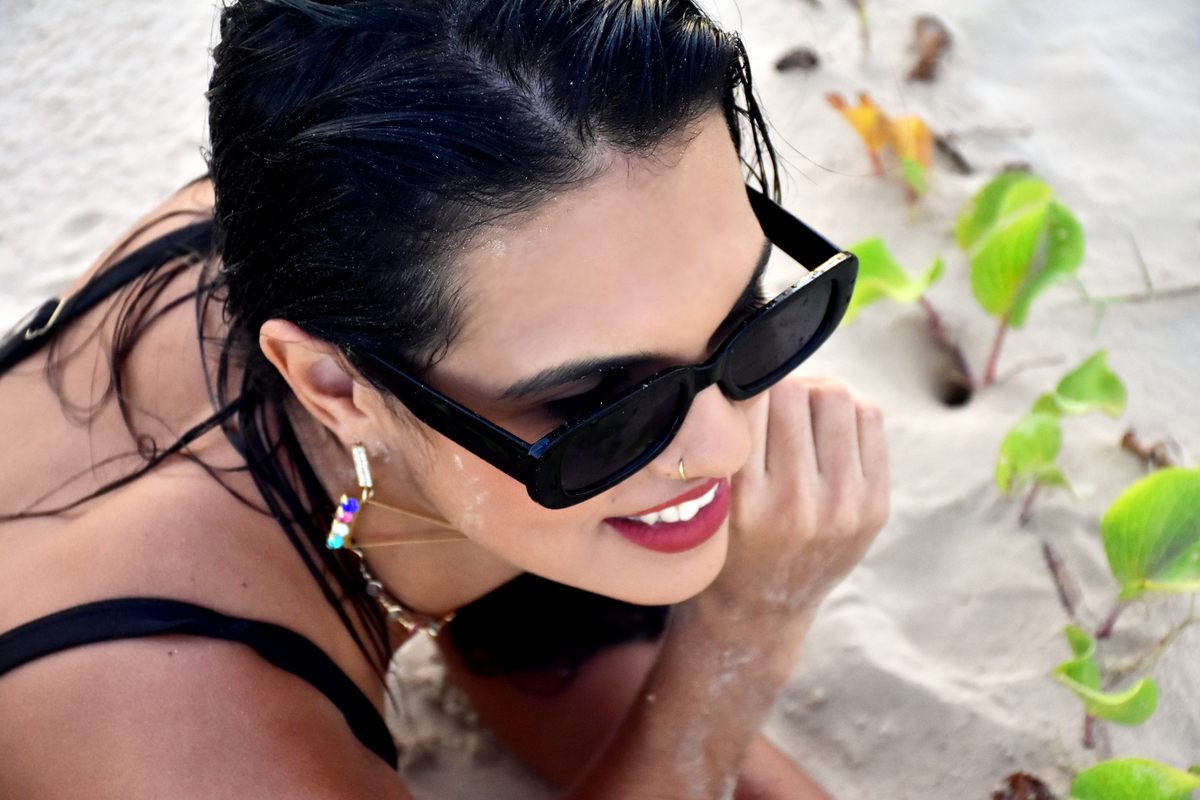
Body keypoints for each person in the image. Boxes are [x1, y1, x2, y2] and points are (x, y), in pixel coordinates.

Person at [0, 1, 889, 797]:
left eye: (746, 314)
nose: (727, 443)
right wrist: (744, 633)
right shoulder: (201, 747)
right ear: (334, 385)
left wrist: (609, 447)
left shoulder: (338, 207)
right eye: (591, 397)